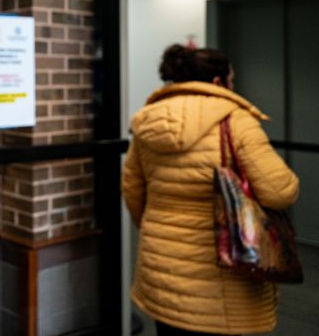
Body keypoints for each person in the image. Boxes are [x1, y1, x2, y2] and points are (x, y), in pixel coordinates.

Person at [122, 44, 299, 335]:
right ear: (218, 82)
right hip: (223, 276)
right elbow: (278, 192)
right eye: (232, 79)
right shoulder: (236, 119)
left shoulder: (147, 120)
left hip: (161, 266)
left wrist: (159, 223)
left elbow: (131, 188)